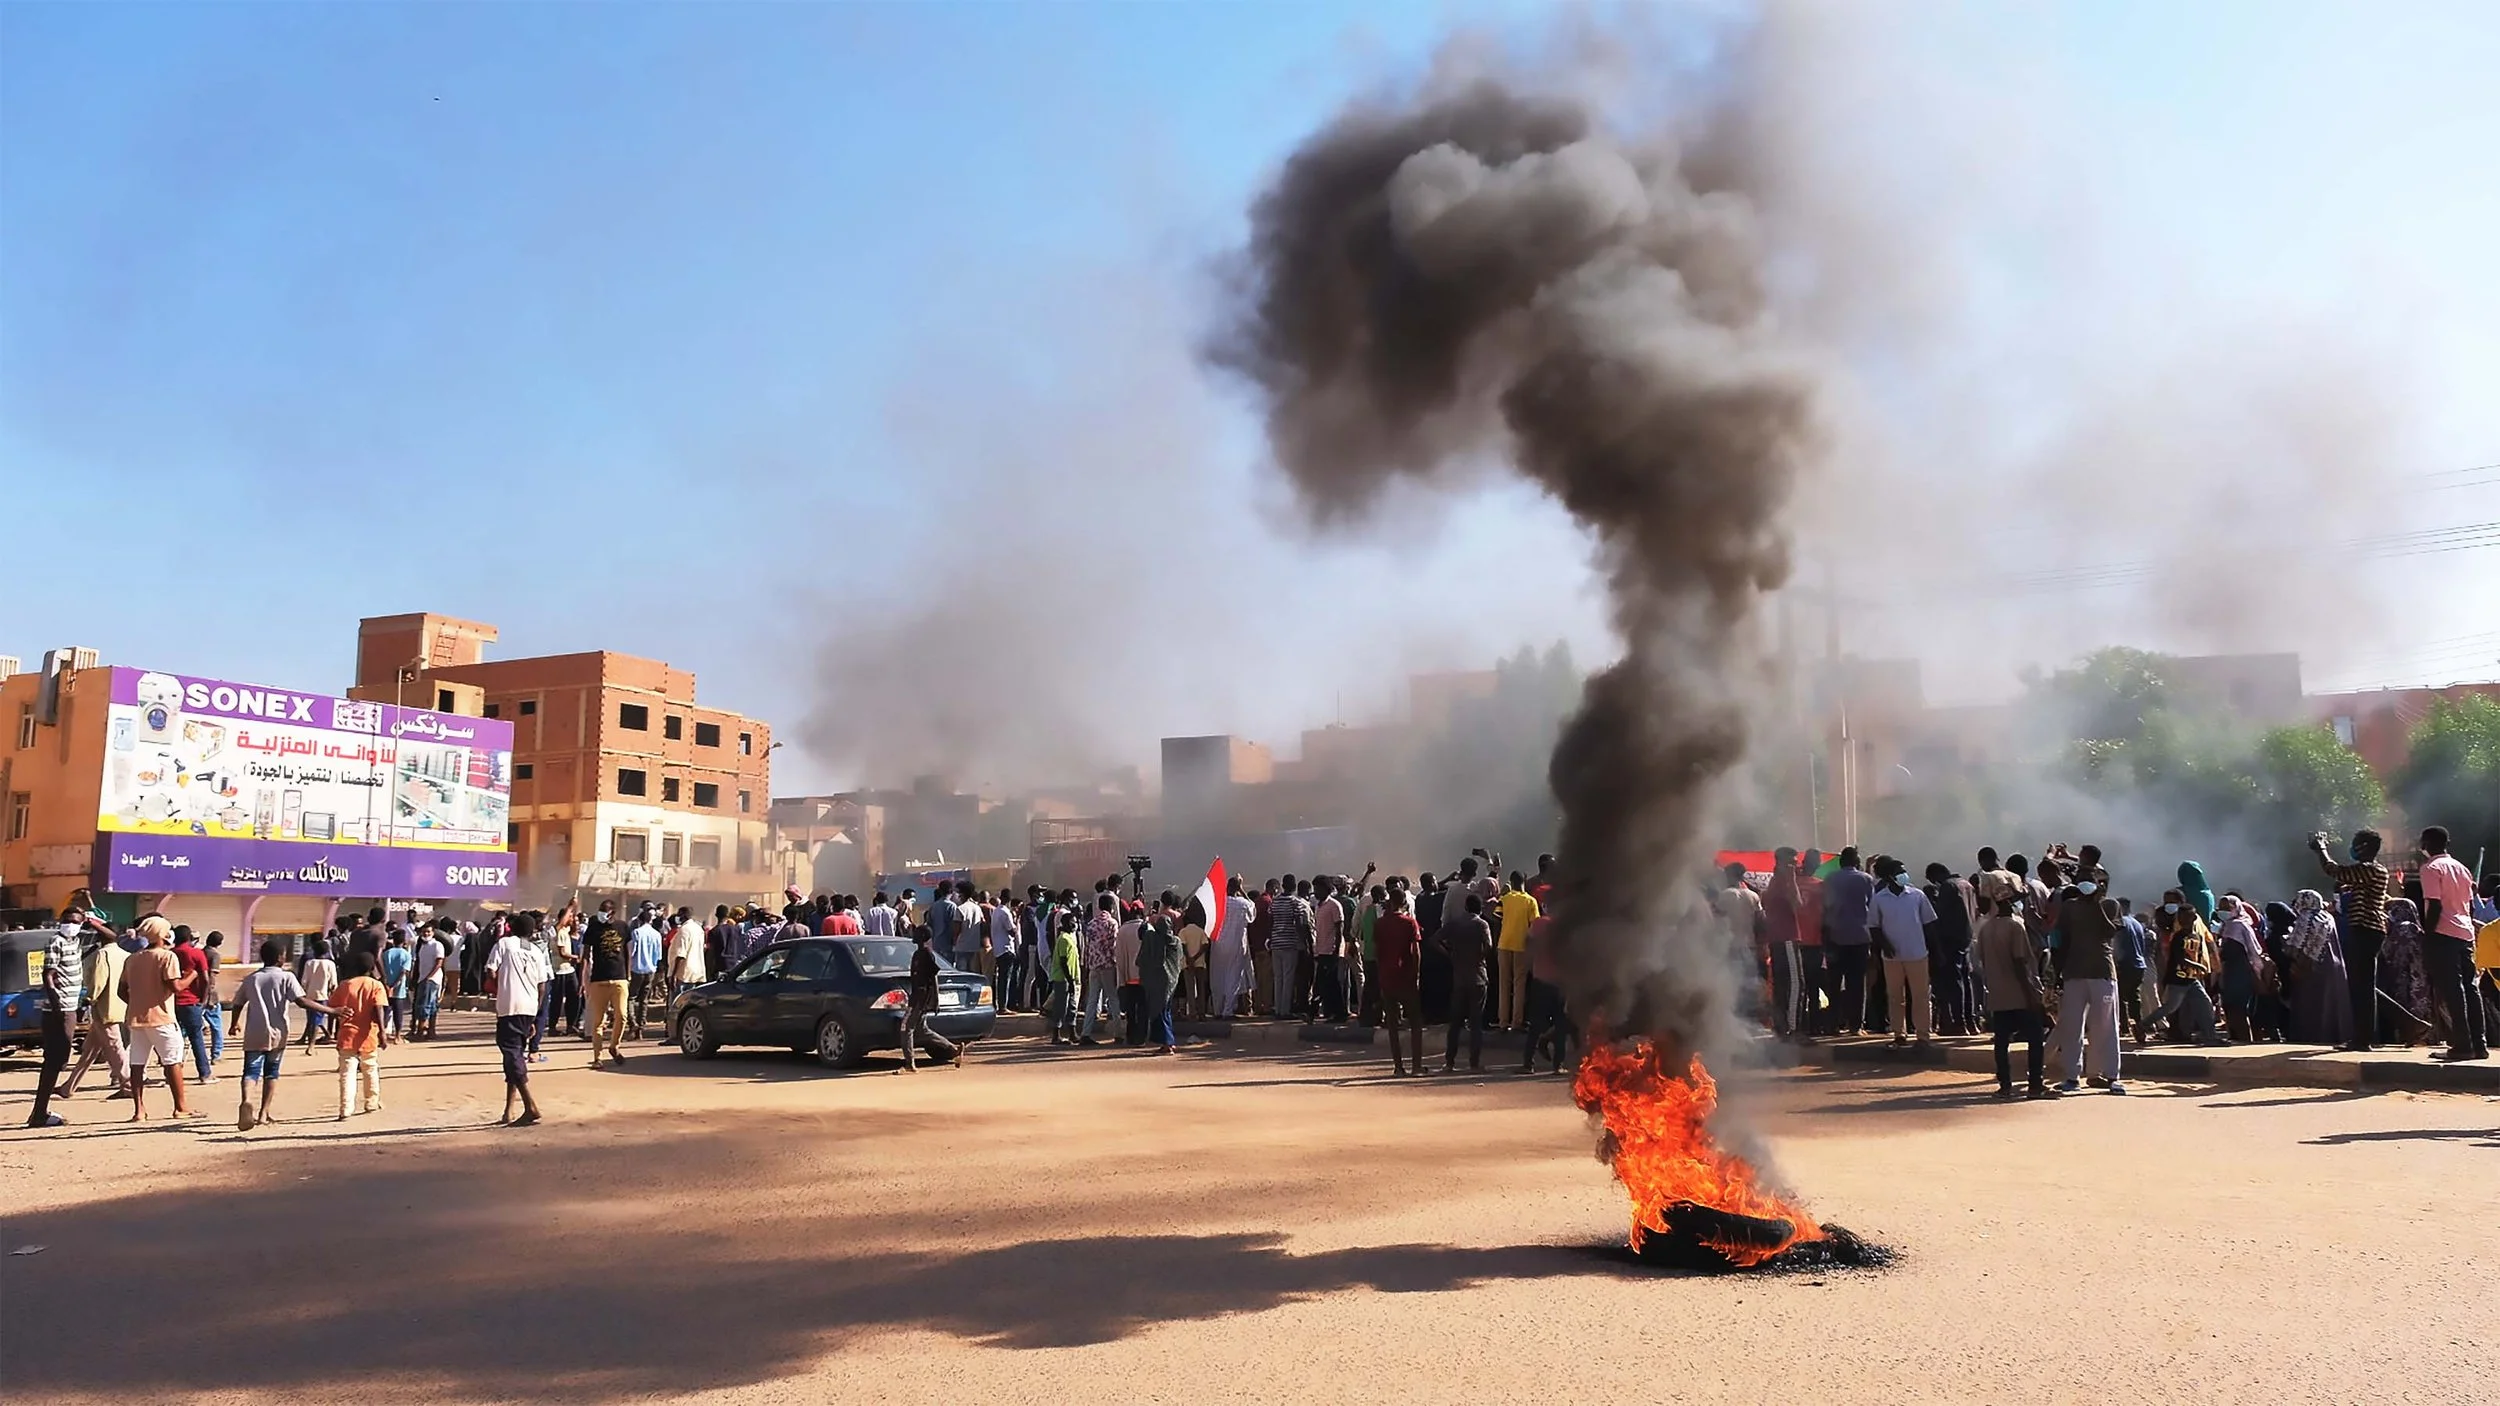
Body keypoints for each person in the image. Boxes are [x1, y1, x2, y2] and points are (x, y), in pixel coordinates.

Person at [232, 939, 336, 1130]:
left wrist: (234, 1024)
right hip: (278, 1033)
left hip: (255, 1032)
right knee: (271, 1071)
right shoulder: (286, 977)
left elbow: (238, 1003)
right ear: (281, 957)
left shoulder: (252, 979)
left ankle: (247, 1100)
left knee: (251, 1070)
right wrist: (331, 1011)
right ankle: (264, 1113)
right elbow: (302, 1001)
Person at [2308, 828, 2393, 1052]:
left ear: (2363, 847)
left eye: (2355, 843)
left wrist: (2321, 849)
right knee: (2362, 985)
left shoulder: (2368, 869)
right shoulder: (2375, 871)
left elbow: (2334, 870)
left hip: (2366, 930)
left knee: (2361, 987)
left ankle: (2362, 1040)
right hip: (2369, 930)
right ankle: (2362, 1037)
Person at [2416, 825, 2490, 1061]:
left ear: (2426, 843)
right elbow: (2469, 906)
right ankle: (2479, 1044)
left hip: (2443, 934)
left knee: (2452, 990)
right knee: (2470, 989)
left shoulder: (2430, 868)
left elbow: (2435, 905)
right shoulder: (2462, 868)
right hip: (2465, 934)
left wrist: (2428, 936)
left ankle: (2462, 1045)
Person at [2047, 884, 2129, 1095]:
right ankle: (2072, 1077)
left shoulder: (2110, 905)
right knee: (2072, 1026)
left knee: (2106, 1025)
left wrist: (2096, 905)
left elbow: (2110, 931)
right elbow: (2063, 939)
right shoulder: (2069, 907)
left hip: (2102, 971)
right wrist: (2058, 972)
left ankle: (2111, 1076)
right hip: (2074, 972)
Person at [1974, 893, 2052, 1099]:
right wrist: (2031, 995)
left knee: (2001, 1042)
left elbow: (1981, 959)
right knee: (2035, 1039)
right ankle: (2035, 1084)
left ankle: (2005, 1086)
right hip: (2019, 993)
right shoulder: (2015, 926)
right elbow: (2020, 963)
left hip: (1997, 994)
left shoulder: (1985, 928)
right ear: (2007, 903)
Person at [122, 917, 199, 1121]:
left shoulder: (132, 959)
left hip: (137, 1019)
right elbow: (176, 986)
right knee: (172, 1061)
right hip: (162, 1018)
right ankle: (180, 1107)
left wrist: (137, 1001)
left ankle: (139, 1110)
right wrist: (191, 975)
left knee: (137, 1064)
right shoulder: (167, 957)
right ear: (164, 934)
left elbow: (122, 990)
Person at [55, 922, 132, 1101]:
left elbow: (98, 982)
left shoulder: (102, 955)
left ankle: (128, 1084)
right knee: (89, 1051)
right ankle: (68, 1087)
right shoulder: (126, 955)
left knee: (115, 1047)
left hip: (105, 1008)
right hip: (122, 1006)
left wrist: (89, 999)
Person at [2140, 890, 2226, 1046]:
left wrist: (2205, 965)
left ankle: (2210, 1036)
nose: (2182, 920)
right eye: (2180, 918)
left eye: (2186, 918)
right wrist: (2199, 966)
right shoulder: (2178, 937)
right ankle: (2143, 1025)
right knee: (2170, 1007)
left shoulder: (2197, 935)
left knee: (2205, 1004)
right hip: (2178, 979)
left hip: (2191, 978)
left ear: (2193, 918)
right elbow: (2181, 959)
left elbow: (2201, 951)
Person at [1865, 857, 1936, 1046]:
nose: (1904, 875)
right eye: (1899, 872)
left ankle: (1922, 1035)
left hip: (1918, 953)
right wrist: (1883, 945)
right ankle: (1899, 1033)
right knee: (1896, 996)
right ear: (1889, 876)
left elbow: (1929, 924)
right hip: (1891, 956)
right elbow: (1874, 926)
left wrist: (1935, 951)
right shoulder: (1879, 898)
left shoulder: (1917, 895)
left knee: (1921, 996)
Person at [491, 913, 550, 1126]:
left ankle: (530, 1105)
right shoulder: (536, 951)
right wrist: (535, 1013)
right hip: (529, 1008)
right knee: (514, 1056)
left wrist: (503, 985)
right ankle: (509, 1110)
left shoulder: (504, 944)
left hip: (509, 1007)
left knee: (512, 1054)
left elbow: (491, 971)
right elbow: (542, 986)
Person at [26, 920, 84, 1128]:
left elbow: (114, 937)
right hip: (59, 1009)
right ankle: (39, 1113)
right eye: (68, 920)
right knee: (54, 1061)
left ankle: (39, 1111)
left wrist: (91, 920)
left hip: (68, 1007)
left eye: (76, 921)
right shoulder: (56, 942)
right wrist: (57, 1006)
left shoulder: (75, 942)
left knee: (58, 1060)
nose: (71, 925)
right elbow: (48, 975)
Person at [1436, 894, 1495, 1074]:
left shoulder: (1455, 923)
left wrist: (1450, 955)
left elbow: (1434, 940)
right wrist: (1480, 958)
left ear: (1466, 907)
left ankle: (1449, 1062)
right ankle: (1474, 1063)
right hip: (1478, 977)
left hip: (1459, 978)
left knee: (1455, 1023)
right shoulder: (1481, 924)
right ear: (1478, 909)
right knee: (1476, 1024)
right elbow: (1489, 945)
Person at [329, 950, 391, 1120]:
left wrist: (335, 1030)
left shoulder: (345, 985)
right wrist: (383, 1033)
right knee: (370, 1068)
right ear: (372, 967)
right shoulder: (376, 985)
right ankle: (371, 1102)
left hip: (347, 1034)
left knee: (346, 1073)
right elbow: (378, 1009)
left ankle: (345, 1109)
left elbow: (333, 1009)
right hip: (368, 1035)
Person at [1821, 847, 1877, 1035]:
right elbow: (1871, 904)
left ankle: (1833, 1025)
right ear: (1856, 861)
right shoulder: (1866, 879)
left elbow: (1825, 906)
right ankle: (1856, 1026)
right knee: (1856, 983)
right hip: (1860, 937)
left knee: (1834, 983)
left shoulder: (1829, 879)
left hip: (1834, 936)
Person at [1922, 863, 1978, 1036]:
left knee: (1954, 981)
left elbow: (1939, 915)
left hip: (1951, 939)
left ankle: (1958, 1022)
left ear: (1937, 875)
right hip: (1966, 937)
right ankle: (1971, 1021)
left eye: (1933, 880)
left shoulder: (1948, 887)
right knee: (1966, 981)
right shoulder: (1966, 884)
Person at [1374, 888, 1426, 1076]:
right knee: (1415, 1022)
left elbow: (1377, 951)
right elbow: (1416, 952)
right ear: (1404, 902)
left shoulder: (1380, 924)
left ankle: (1398, 1066)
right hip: (1406, 976)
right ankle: (1417, 1066)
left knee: (1392, 1025)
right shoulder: (1410, 922)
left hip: (1387, 977)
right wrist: (1417, 974)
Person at [1518, 905, 1572, 1073]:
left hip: (1540, 979)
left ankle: (1528, 1064)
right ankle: (1558, 1065)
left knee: (1535, 1024)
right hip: (1558, 982)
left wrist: (1529, 968)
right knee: (1561, 1024)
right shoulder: (1563, 926)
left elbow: (1527, 945)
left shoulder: (1538, 924)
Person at [898, 929, 961, 1072]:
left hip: (921, 997)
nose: (913, 936)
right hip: (916, 996)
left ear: (922, 937)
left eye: (916, 934)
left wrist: (935, 1000)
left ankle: (909, 1064)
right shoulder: (916, 954)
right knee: (922, 1030)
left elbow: (934, 977)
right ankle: (954, 1049)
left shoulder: (927, 954)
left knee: (906, 1027)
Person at [582, 918, 631, 1068]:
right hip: (598, 980)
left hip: (619, 979)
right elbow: (585, 955)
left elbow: (627, 952)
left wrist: (628, 975)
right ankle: (597, 1057)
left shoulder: (622, 926)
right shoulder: (593, 928)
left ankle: (614, 1046)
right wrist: (585, 979)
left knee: (622, 1015)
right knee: (598, 1021)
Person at [1139, 892, 1184, 1055]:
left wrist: (1148, 919)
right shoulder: (1176, 942)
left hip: (1158, 982)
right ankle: (1168, 1042)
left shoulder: (1154, 939)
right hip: (1171, 981)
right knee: (1165, 1011)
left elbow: (1143, 934)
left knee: (1160, 1011)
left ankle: (1167, 1043)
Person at [171, 925, 216, 1085]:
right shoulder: (197, 953)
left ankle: (172, 1074)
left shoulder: (170, 954)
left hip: (172, 1002)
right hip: (192, 1002)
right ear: (190, 938)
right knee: (196, 1038)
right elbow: (205, 978)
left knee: (174, 1039)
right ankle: (205, 1074)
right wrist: (203, 999)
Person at [1496, 871, 1540, 1030]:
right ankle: (1516, 1023)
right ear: (1524, 881)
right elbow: (1535, 925)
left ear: (1511, 881)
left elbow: (1497, 916)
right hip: (1521, 946)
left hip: (1503, 944)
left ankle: (1502, 1022)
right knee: (1519, 985)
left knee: (1504, 985)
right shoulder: (1531, 901)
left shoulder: (1504, 899)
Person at [1267, 876, 1312, 1021]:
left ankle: (1278, 1009)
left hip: (1276, 943)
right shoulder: (1295, 902)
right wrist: (1304, 942)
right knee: (1288, 978)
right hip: (1290, 943)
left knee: (1278, 978)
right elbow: (1300, 923)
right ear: (1293, 886)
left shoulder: (1275, 901)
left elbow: (1271, 919)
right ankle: (1285, 1011)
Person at [1079, 895, 1120, 1045]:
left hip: (1094, 965)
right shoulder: (1112, 923)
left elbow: (1087, 946)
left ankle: (1085, 1033)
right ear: (1111, 907)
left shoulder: (1091, 924)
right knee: (1113, 999)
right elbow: (1114, 946)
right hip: (1108, 965)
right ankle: (1119, 1033)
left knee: (1092, 1000)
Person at [1213, 876, 1254, 1021]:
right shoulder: (1243, 904)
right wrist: (1242, 891)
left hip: (1218, 944)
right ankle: (1228, 1011)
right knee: (1233, 977)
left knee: (1218, 976)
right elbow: (1252, 913)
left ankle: (1217, 1009)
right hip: (1236, 944)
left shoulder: (1219, 903)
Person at [1045, 909, 1083, 1044]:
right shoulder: (1063, 939)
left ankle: (1073, 1033)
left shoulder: (1072, 937)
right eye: (1073, 923)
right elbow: (1063, 962)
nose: (1075, 925)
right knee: (1061, 1007)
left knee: (1073, 1006)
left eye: (1076, 923)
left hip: (1073, 977)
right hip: (1063, 979)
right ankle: (1056, 1035)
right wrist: (1070, 980)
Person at [297, 937, 339, 1048]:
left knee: (313, 1018)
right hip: (323, 995)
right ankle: (314, 1042)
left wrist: (303, 992)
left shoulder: (309, 963)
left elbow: (304, 981)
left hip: (310, 996)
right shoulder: (330, 964)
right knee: (317, 1019)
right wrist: (333, 993)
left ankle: (312, 1042)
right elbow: (333, 982)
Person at [410, 921, 447, 1040]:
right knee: (428, 1005)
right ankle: (430, 1032)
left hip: (432, 979)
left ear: (433, 933)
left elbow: (439, 963)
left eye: (428, 932)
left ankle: (422, 1032)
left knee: (425, 1006)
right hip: (423, 978)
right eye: (424, 932)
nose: (426, 934)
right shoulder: (422, 946)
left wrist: (429, 977)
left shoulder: (437, 945)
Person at [668, 907, 708, 997]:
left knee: (677, 1003)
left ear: (683, 915)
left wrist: (674, 975)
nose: (677, 918)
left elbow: (681, 954)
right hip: (694, 971)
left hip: (682, 973)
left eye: (679, 915)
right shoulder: (698, 929)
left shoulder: (684, 930)